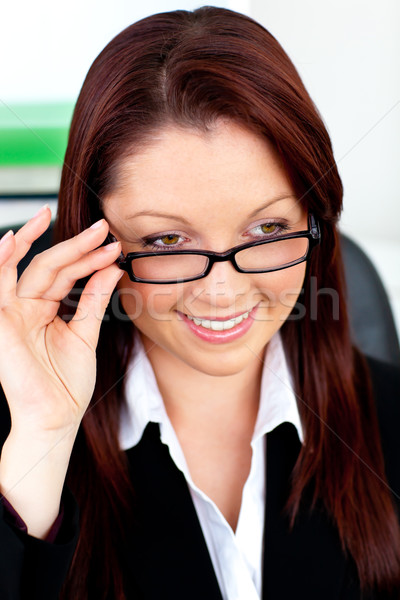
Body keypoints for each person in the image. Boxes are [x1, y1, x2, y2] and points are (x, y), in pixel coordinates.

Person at [0, 6, 399, 600]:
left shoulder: (390, 419)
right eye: (166, 240)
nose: (222, 292)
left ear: (315, 223)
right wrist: (44, 439)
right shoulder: (22, 442)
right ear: (95, 242)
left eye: (266, 230)